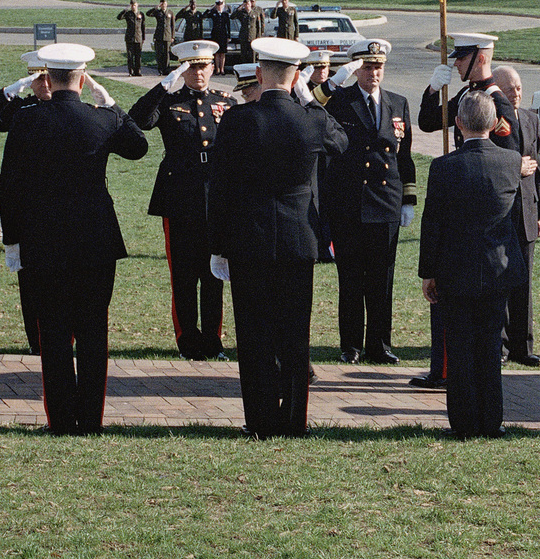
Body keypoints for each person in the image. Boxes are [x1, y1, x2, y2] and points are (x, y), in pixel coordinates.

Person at [0, 44, 148, 434]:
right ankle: (91, 420)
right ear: (83, 79)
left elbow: (7, 183)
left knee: (54, 335)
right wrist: (111, 103)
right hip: (95, 239)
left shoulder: (27, 120)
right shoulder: (101, 120)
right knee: (94, 332)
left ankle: (62, 419)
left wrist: (12, 239)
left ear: (47, 78)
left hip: (43, 238)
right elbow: (139, 147)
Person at [209, 37, 346, 437]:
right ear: (297, 75)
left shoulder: (236, 120)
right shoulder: (312, 119)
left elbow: (218, 189)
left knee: (253, 335)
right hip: (297, 238)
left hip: (247, 239)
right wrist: (310, 100)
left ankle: (260, 421)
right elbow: (341, 142)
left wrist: (218, 247)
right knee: (294, 333)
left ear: (260, 72)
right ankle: (293, 421)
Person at [413, 32, 522, 389]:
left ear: (480, 58)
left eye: (461, 58)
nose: (456, 64)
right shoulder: (465, 96)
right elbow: (429, 122)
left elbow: (508, 160)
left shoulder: (497, 104)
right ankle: (441, 369)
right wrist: (432, 89)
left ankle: (455, 376)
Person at [419, 90, 525, 439]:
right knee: (491, 347)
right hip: (497, 268)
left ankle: (464, 423)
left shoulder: (444, 166)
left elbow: (432, 223)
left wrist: (428, 273)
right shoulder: (510, 163)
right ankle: (490, 421)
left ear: (459, 123)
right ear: (495, 124)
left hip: (456, 269)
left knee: (461, 348)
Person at [129, 40, 237, 361]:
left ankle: (213, 342)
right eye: (191, 67)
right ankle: (188, 341)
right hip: (179, 199)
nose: (199, 72)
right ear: (182, 69)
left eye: (203, 66)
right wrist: (163, 86)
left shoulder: (226, 102)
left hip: (215, 200)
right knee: (184, 275)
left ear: (213, 66)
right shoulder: (170, 102)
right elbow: (139, 119)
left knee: (215, 274)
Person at [322, 39, 415, 364]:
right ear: (357, 68)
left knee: (382, 279)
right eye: (367, 66)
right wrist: (334, 80)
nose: (374, 72)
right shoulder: (340, 100)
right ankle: (351, 346)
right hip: (349, 203)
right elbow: (313, 103)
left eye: (378, 66)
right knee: (350, 279)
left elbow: (404, 157)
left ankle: (380, 345)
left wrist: (408, 199)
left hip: (386, 204)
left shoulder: (398, 103)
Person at [0, 52, 54, 352]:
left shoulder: (74, 109)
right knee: (30, 280)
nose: (44, 84)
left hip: (59, 206)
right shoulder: (20, 109)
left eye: (48, 77)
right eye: (37, 78)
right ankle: (36, 340)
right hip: (27, 207)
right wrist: (12, 89)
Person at [492, 64, 540, 366]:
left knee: (523, 283)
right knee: (499, 279)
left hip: (526, 210)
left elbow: (538, 168)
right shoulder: (492, 117)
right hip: (501, 212)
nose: (516, 92)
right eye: (510, 87)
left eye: (519, 87)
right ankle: (497, 344)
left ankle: (522, 346)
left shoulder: (530, 118)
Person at [118, 0, 147, 77]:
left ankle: (137, 71)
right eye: (132, 5)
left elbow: (143, 26)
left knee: (138, 56)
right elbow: (119, 17)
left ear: (137, 5)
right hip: (130, 38)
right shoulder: (128, 14)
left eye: (134, 5)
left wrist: (143, 37)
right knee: (130, 56)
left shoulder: (141, 14)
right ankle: (131, 71)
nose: (133, 7)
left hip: (138, 38)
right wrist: (125, 9)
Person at [146, 0, 172, 75]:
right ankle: (160, 70)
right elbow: (148, 14)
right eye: (162, 4)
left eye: (165, 4)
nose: (164, 5)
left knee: (167, 54)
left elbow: (172, 25)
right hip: (159, 36)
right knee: (159, 54)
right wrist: (156, 7)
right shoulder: (157, 12)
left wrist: (172, 36)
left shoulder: (170, 12)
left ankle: (166, 70)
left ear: (167, 4)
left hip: (167, 36)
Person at [207, 0, 232, 75]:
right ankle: (217, 69)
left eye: (220, 5)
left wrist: (229, 36)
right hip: (215, 34)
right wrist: (212, 8)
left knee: (222, 52)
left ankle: (222, 69)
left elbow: (228, 25)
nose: (219, 6)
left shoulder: (225, 14)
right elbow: (205, 15)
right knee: (217, 53)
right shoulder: (213, 13)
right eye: (217, 5)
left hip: (223, 34)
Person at [232, 0, 257, 68]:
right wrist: (239, 9)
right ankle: (244, 68)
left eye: (248, 4)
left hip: (252, 36)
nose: (247, 6)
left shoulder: (254, 13)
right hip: (244, 36)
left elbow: (258, 25)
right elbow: (232, 17)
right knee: (244, 53)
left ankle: (253, 68)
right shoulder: (241, 13)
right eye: (245, 4)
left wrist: (258, 36)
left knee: (252, 54)